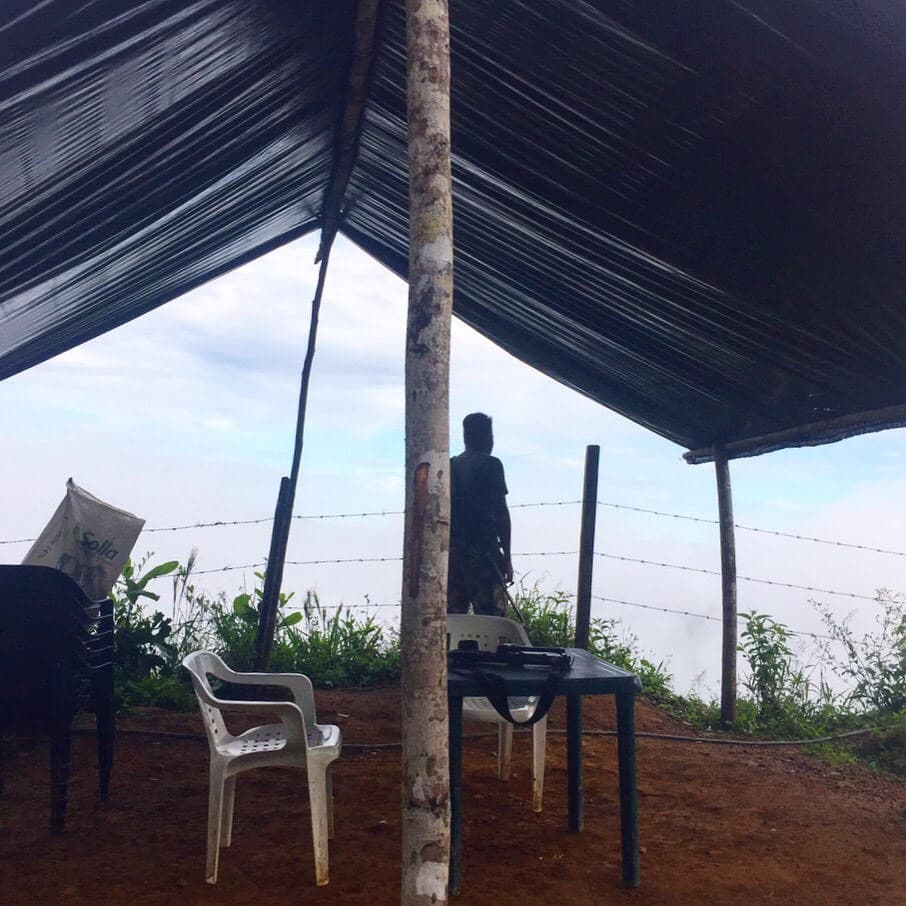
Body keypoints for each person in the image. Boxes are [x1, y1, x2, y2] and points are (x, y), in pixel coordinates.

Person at [447, 412, 513, 616]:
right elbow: (501, 513)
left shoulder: (450, 465)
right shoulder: (492, 465)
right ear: (487, 438)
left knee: (452, 619)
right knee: (491, 619)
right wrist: (507, 557)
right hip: (484, 555)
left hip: (453, 556)